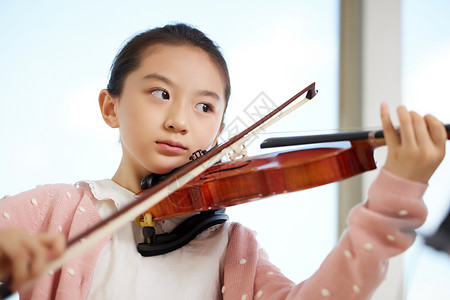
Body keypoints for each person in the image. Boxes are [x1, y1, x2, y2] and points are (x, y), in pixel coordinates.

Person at [0, 23, 447, 300]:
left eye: (205, 107)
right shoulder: (56, 211)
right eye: (160, 94)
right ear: (111, 106)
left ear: (219, 129)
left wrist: (392, 202)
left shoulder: (232, 248)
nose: (179, 121)